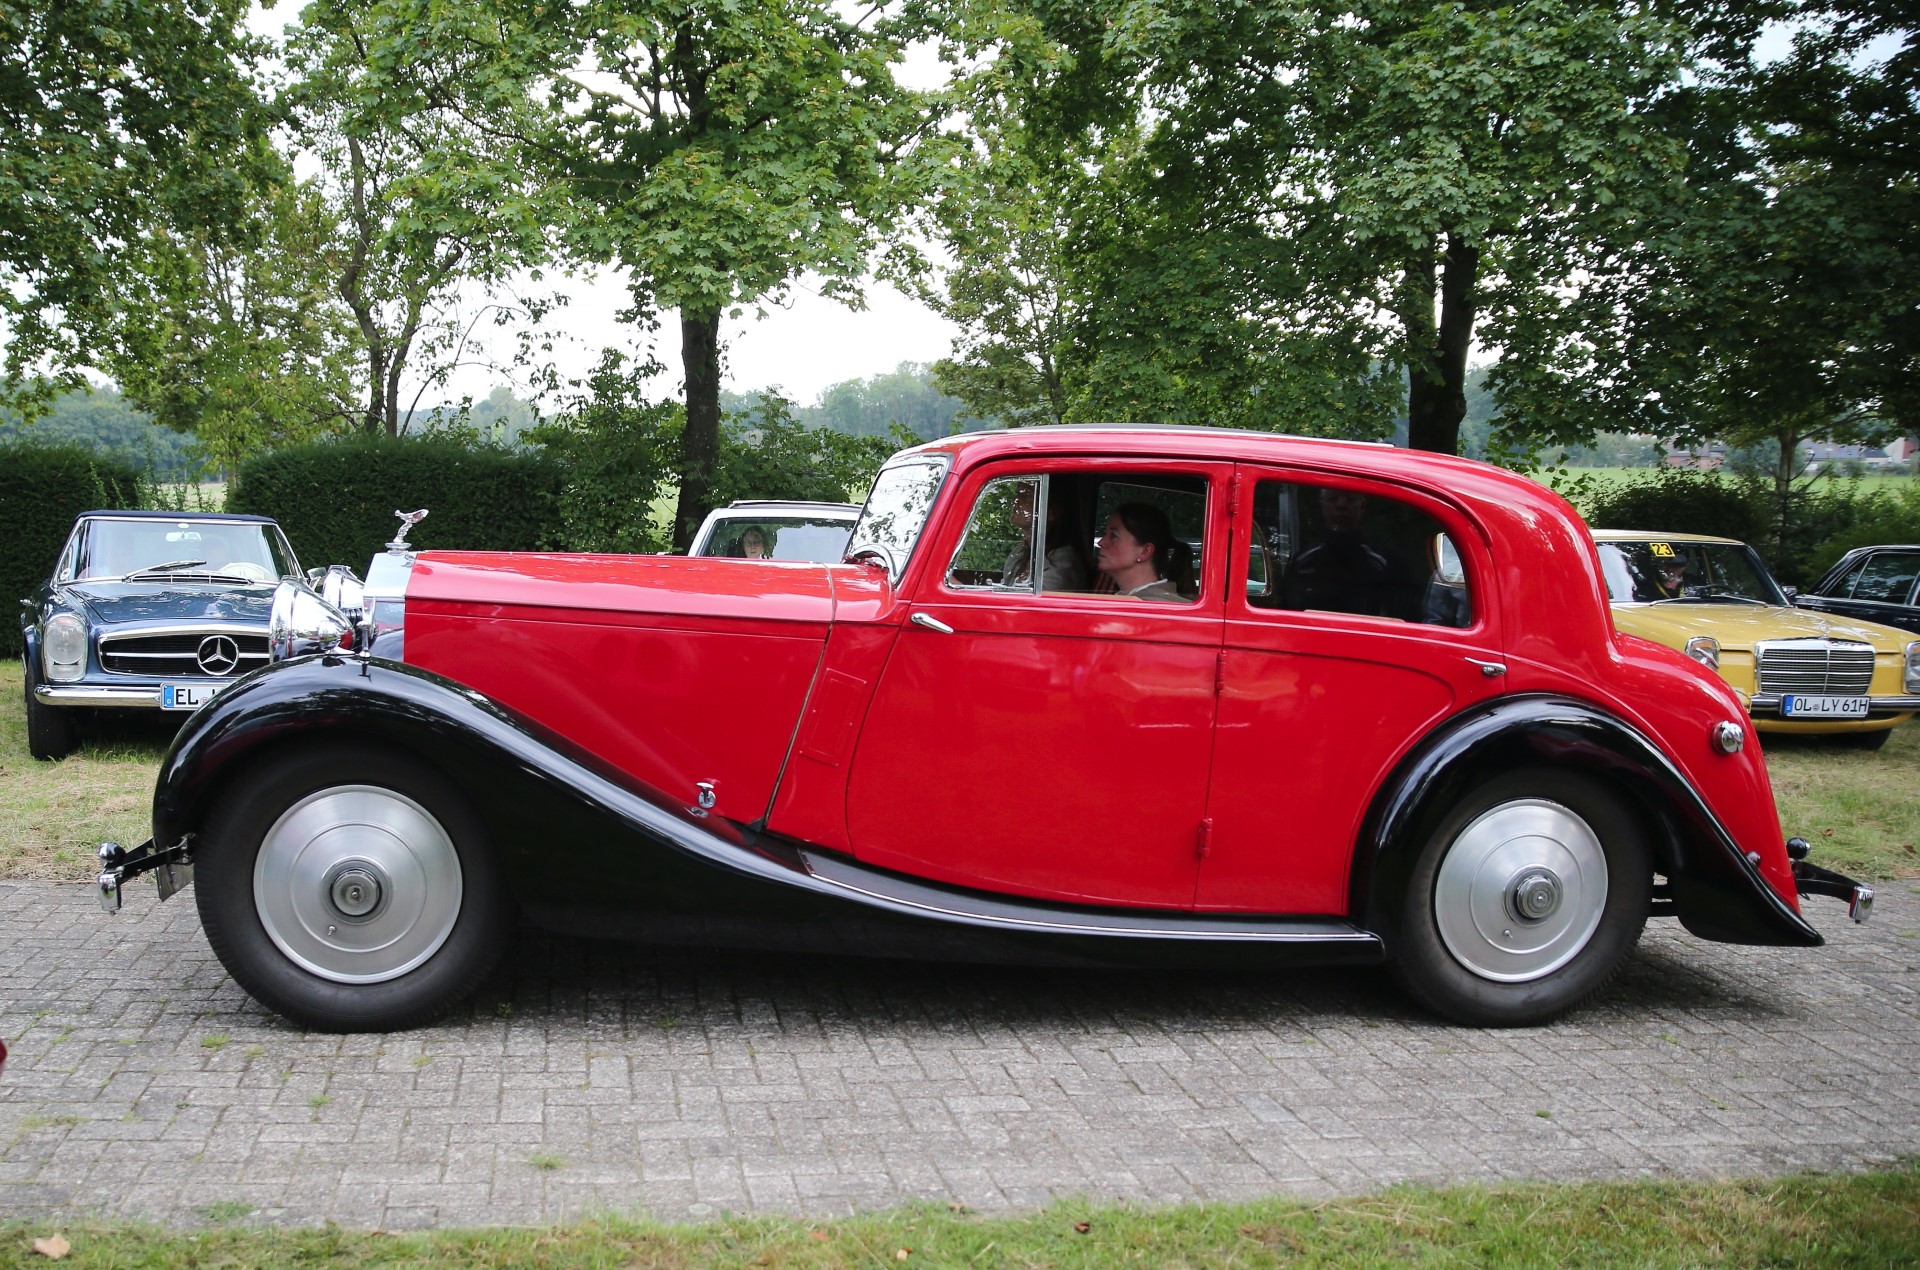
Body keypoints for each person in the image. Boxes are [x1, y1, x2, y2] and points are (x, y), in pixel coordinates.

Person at [1096, 502, 1191, 602]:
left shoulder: (1153, 605)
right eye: (1105, 533)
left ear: (1145, 552)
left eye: (1113, 535)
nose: (1101, 542)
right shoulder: (1140, 601)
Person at [1004, 484, 1091, 591]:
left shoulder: (1062, 562)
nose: (1015, 500)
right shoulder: (1021, 552)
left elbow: (1035, 599)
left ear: (1050, 512)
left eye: (1026, 496)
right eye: (1016, 495)